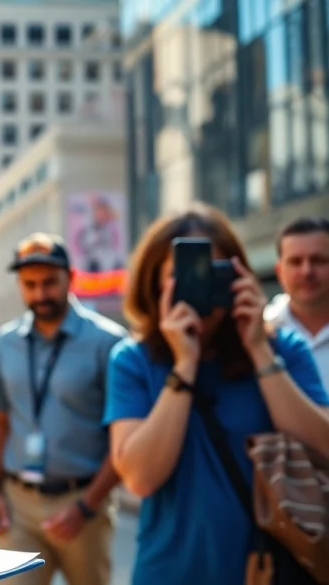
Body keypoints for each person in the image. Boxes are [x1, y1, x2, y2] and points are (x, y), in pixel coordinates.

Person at [105, 204, 329, 585]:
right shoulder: (133, 360)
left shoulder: (283, 349)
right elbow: (140, 478)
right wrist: (184, 365)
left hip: (267, 571)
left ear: (239, 277)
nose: (201, 290)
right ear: (156, 286)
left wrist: (259, 350)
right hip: (169, 572)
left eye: (215, 276)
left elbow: (323, 445)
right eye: (183, 278)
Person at [0, 233, 126, 585]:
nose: (40, 294)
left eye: (49, 283)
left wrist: (87, 506)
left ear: (71, 279)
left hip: (84, 503)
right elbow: (0, 420)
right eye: (29, 285)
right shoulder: (5, 341)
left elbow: (123, 441)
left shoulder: (109, 343)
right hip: (18, 504)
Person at [266, 217, 329, 383]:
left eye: (318, 260)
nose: (307, 271)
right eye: (295, 262)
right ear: (279, 271)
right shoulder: (261, 332)